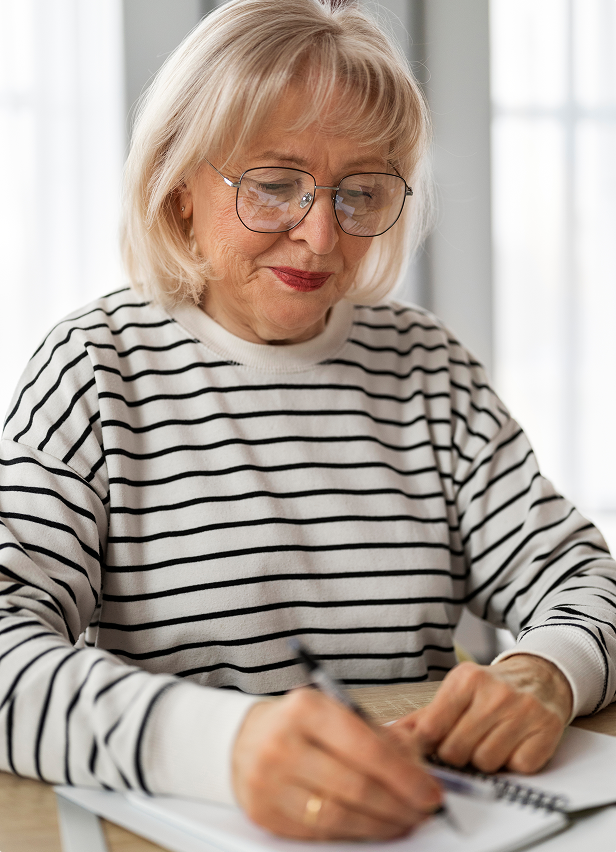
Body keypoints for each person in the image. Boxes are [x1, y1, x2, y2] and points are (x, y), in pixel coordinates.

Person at [1, 0, 615, 842]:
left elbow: (584, 579)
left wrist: (550, 669)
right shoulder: (93, 371)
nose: (322, 235)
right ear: (179, 190)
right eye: (275, 184)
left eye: (361, 192)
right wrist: (221, 746)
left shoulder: (429, 370)